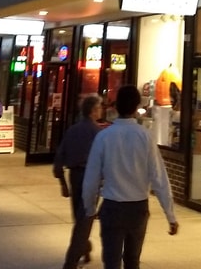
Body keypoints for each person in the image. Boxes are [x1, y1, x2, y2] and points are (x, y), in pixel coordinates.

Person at [82, 85, 178, 269]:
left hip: (112, 206)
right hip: (138, 208)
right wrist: (170, 215)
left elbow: (91, 178)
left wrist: (89, 208)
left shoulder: (104, 137)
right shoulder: (146, 137)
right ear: (136, 107)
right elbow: (159, 177)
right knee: (133, 261)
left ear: (116, 106)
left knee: (111, 262)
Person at [54, 94, 104, 268]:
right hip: (90, 178)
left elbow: (60, 156)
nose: (101, 110)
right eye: (99, 107)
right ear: (92, 111)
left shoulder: (72, 131)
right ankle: (71, 261)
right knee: (85, 219)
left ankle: (85, 247)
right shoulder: (98, 133)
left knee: (80, 217)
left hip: (74, 177)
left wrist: (62, 182)